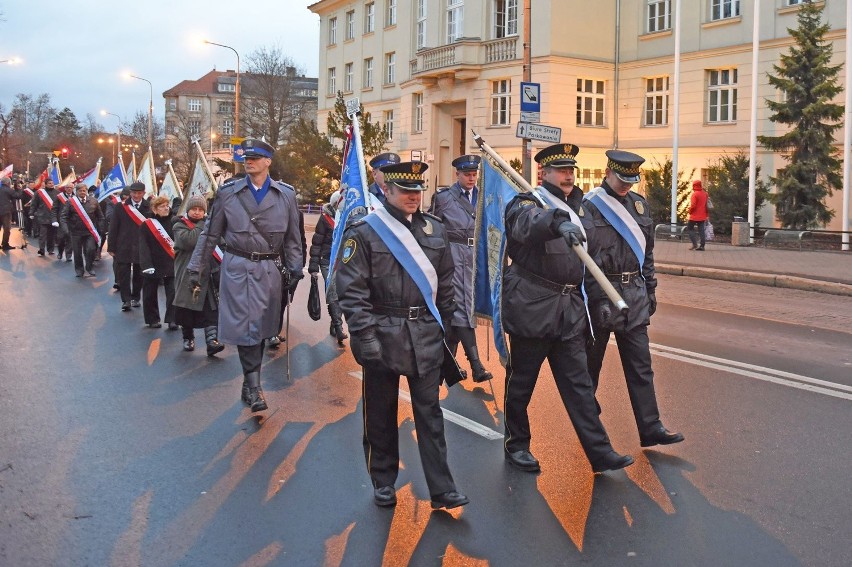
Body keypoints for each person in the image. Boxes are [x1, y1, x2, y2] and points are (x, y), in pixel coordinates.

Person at [336, 160, 469, 510]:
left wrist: (450, 327)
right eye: (405, 191)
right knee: (380, 412)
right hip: (382, 331)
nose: (413, 197)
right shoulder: (365, 231)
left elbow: (446, 285)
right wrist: (363, 334)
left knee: (430, 414)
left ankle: (442, 488)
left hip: (424, 332)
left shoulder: (434, 230)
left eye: (417, 191)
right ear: (387, 191)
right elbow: (352, 290)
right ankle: (383, 480)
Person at [501, 143, 634, 474]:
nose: (568, 176)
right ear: (543, 173)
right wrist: (557, 222)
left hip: (569, 310)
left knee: (580, 387)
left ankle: (600, 452)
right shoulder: (527, 203)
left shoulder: (580, 207)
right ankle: (516, 445)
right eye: (561, 170)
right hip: (533, 307)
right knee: (521, 384)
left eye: (571, 170)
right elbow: (528, 225)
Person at [187, 138, 303, 413]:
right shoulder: (229, 193)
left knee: (264, 328)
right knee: (246, 327)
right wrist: (196, 268)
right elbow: (210, 234)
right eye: (245, 158)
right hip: (238, 267)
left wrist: (296, 270)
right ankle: (254, 388)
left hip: (271, 269)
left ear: (268, 162)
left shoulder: (286, 194)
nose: (248, 161)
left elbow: (293, 239)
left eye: (255, 157)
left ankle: (249, 381)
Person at [583, 149, 685, 449]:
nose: (626, 185)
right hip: (602, 296)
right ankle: (591, 432)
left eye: (631, 180)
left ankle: (651, 427)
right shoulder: (589, 207)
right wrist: (594, 296)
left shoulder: (640, 207)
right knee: (589, 368)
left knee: (641, 366)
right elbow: (583, 259)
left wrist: (651, 289)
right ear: (607, 173)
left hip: (634, 296)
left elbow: (647, 255)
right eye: (621, 179)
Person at [428, 154, 492, 383]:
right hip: (452, 258)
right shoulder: (444, 198)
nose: (472, 178)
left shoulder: (483, 197)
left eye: (475, 174)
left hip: (474, 260)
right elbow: (431, 230)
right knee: (460, 309)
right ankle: (475, 365)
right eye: (467, 174)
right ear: (458, 174)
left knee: (462, 311)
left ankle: (449, 367)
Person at [172, 195, 224, 355]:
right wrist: (206, 223)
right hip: (187, 274)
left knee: (211, 308)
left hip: (207, 272)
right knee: (186, 309)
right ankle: (188, 338)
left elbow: (220, 241)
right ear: (188, 210)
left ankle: (212, 341)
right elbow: (190, 240)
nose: (197, 212)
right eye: (194, 209)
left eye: (201, 210)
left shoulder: (209, 226)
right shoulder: (179, 225)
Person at [307, 190, 348, 345]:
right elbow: (317, 243)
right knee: (332, 292)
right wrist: (313, 268)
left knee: (342, 293)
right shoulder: (325, 219)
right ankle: (338, 326)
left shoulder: (346, 219)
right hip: (326, 262)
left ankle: (334, 322)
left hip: (343, 261)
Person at [108, 182, 150, 311]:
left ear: (144, 193)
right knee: (124, 274)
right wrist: (111, 246)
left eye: (139, 193)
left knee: (139, 274)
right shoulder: (121, 207)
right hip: (123, 245)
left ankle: (135, 298)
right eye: (134, 193)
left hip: (141, 246)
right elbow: (114, 227)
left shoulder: (149, 207)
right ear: (130, 193)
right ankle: (125, 300)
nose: (136, 195)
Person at [138, 195, 177, 329]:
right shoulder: (147, 225)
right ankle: (152, 319)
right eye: (162, 206)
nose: (166, 208)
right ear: (155, 209)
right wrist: (146, 265)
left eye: (167, 205)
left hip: (171, 261)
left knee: (173, 292)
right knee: (150, 293)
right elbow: (143, 246)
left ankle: (172, 319)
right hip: (153, 262)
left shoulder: (175, 221)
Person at [60, 183, 105, 278]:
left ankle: (89, 267)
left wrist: (101, 229)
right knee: (77, 252)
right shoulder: (70, 202)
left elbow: (100, 217)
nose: (82, 192)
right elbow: (63, 217)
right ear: (76, 192)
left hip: (89, 232)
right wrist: (65, 230)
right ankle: (79, 270)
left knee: (91, 249)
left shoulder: (94, 201)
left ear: (87, 191)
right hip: (75, 232)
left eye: (84, 190)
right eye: (80, 190)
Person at [29, 178, 58, 256]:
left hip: (53, 217)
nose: (51, 184)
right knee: (42, 235)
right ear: (45, 184)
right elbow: (34, 203)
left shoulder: (57, 193)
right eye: (49, 183)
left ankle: (50, 250)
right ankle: (41, 249)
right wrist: (31, 213)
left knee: (51, 235)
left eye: (52, 183)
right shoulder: (39, 193)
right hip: (42, 216)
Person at [53, 184, 74, 261]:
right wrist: (54, 220)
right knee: (61, 238)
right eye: (67, 187)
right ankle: (60, 252)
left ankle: (68, 255)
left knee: (70, 238)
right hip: (61, 220)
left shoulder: (75, 197)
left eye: (71, 188)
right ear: (65, 188)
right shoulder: (59, 197)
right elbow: (54, 209)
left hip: (72, 221)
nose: (69, 189)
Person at [0, 177, 23, 250]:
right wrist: (18, 189)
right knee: (7, 228)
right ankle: (5, 244)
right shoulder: (8, 190)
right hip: (5, 212)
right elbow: (18, 196)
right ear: (8, 183)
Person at [687, 179, 709, 251]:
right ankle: (702, 246)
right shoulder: (705, 194)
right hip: (702, 215)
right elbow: (706, 206)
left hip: (694, 216)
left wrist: (690, 211)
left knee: (690, 228)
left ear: (694, 186)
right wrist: (707, 215)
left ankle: (695, 244)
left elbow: (693, 205)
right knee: (701, 230)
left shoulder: (695, 194)